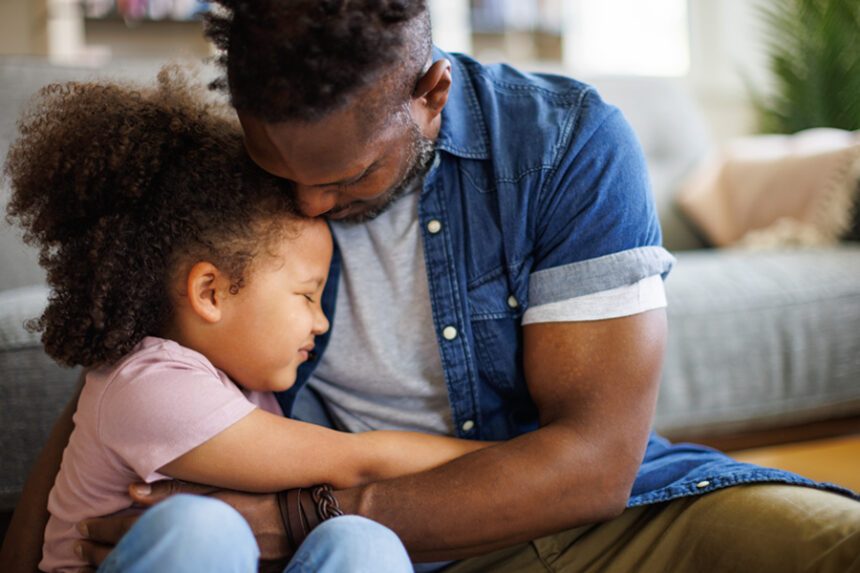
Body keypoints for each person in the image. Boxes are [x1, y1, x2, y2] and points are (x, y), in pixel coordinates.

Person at [3, 1, 859, 572]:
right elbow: (125, 372)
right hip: (343, 547)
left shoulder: (566, 144)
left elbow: (594, 467)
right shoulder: (230, 178)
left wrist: (297, 516)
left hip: (570, 522)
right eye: (278, 168)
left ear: (430, 91)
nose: (306, 201)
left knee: (831, 543)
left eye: (349, 175)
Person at [2, 67, 493, 572]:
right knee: (204, 530)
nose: (321, 324)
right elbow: (359, 461)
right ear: (210, 293)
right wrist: (510, 460)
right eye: (307, 296)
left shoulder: (240, 388)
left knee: (364, 543)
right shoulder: (146, 389)